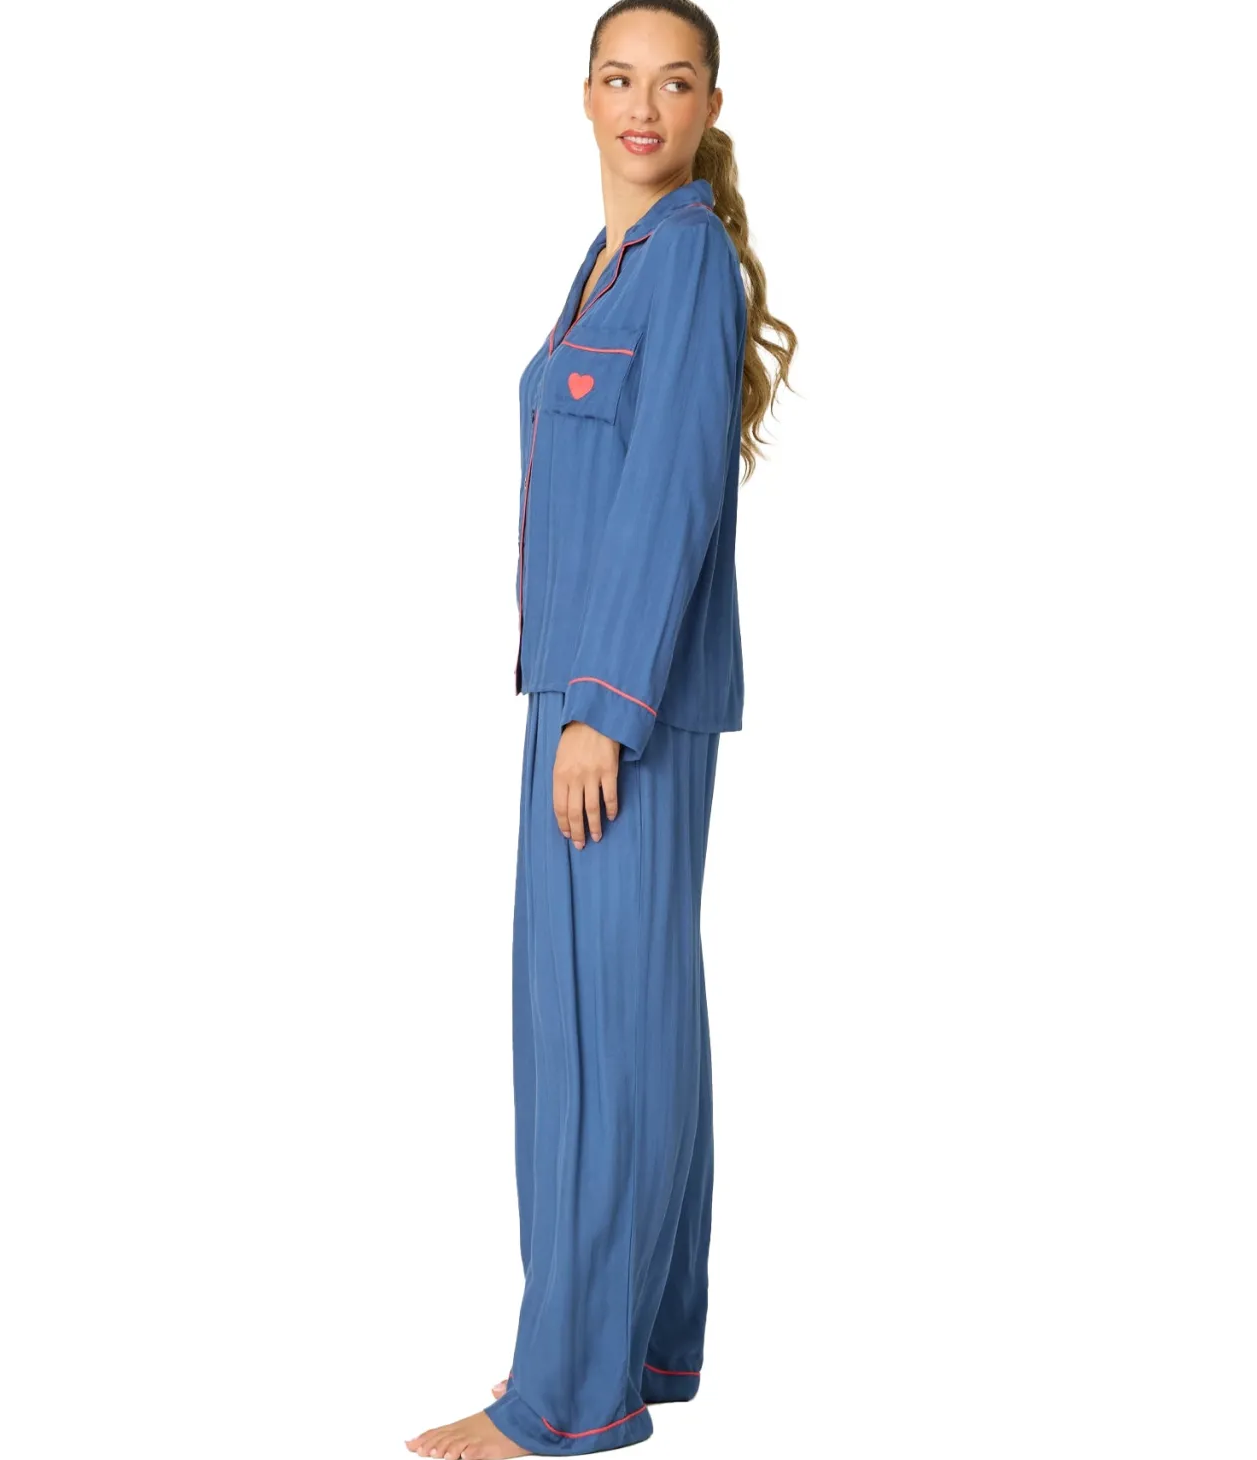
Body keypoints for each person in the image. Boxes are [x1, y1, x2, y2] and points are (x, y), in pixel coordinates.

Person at [407, 4, 795, 1456]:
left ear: (709, 106)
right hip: (585, 697)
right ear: (583, 97)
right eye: (620, 79)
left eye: (674, 81)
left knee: (593, 1041)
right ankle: (646, 1346)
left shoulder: (683, 255)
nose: (644, 104)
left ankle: (564, 1399)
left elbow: (671, 495)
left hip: (614, 710)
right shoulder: (614, 261)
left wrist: (603, 716)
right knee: (634, 1025)